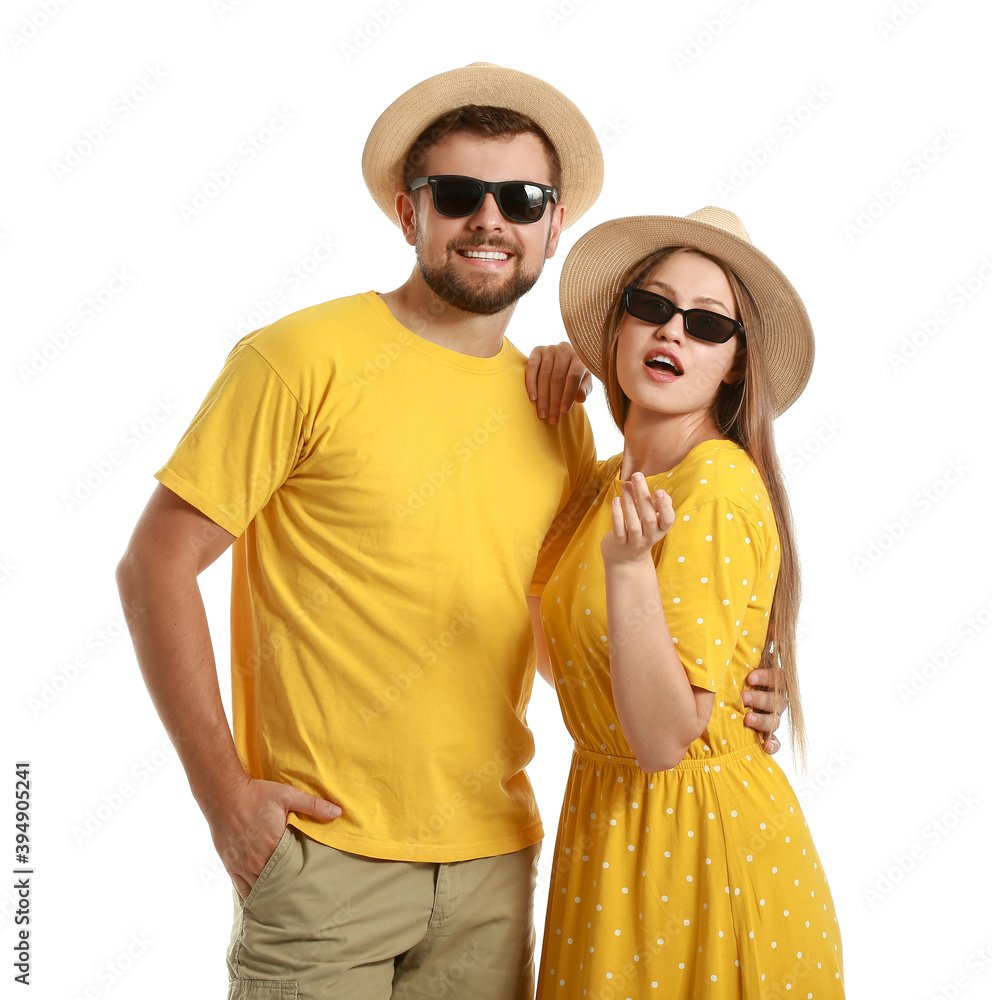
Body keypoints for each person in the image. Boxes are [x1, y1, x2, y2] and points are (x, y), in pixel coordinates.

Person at [115, 59, 785, 998]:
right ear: (408, 213)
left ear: (554, 225)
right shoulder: (300, 358)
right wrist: (224, 797)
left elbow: (564, 625)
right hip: (321, 862)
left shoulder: (555, 412)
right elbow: (153, 567)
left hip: (495, 871)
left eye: (518, 197)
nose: (489, 220)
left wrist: (718, 693)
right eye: (460, 193)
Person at [532, 207, 845, 998]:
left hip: (699, 849)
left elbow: (665, 739)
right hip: (613, 833)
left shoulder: (715, 486)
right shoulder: (606, 482)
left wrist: (630, 572)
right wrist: (546, 391)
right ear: (617, 327)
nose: (671, 333)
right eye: (650, 307)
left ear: (737, 365)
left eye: (707, 324)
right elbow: (559, 659)